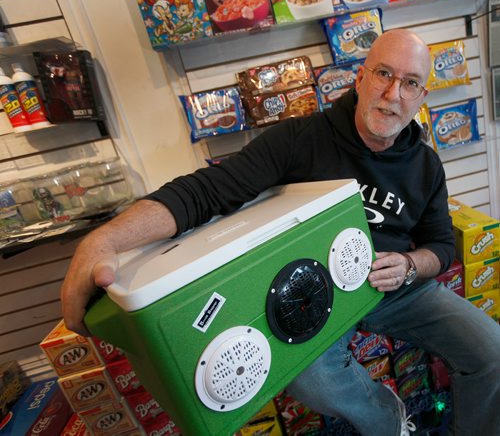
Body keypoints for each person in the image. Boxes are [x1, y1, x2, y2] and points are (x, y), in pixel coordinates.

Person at [61, 29, 500, 435]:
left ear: (421, 95)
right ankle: (388, 420)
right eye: (384, 74)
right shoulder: (298, 139)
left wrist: (408, 265)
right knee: (313, 384)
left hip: (395, 286)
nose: (392, 94)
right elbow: (204, 193)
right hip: (312, 296)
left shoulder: (425, 165)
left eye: (409, 83)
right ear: (360, 78)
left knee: (492, 351)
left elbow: (440, 246)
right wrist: (105, 241)